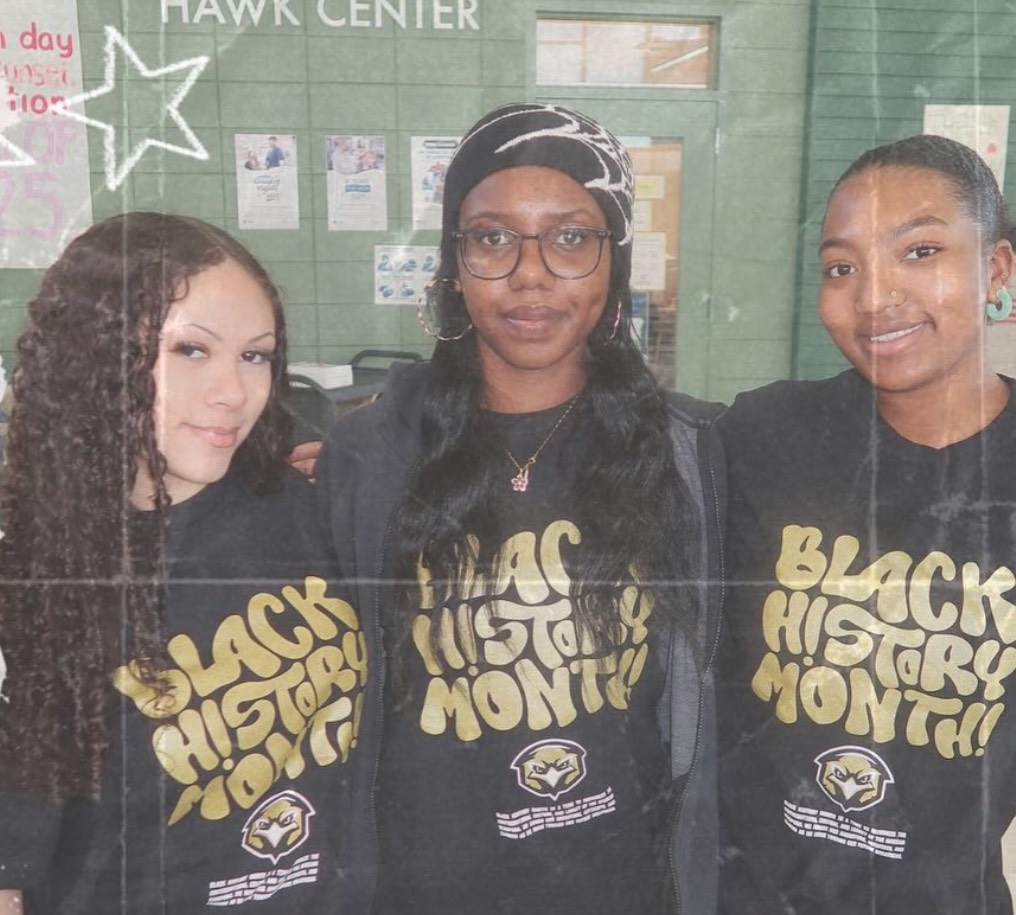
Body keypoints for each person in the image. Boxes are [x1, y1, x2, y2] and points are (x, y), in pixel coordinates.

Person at [316, 102, 724, 913]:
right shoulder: (370, 455)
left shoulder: (690, 451)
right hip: (421, 888)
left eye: (571, 237)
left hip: (623, 887)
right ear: (454, 264)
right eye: (493, 237)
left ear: (615, 261)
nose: (530, 273)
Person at [0, 212, 367, 914]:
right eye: (192, 349)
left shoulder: (296, 501)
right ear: (94, 356)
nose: (233, 390)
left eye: (255, 355)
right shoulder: (41, 577)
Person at [716, 135, 1016, 913]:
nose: (873, 295)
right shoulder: (766, 434)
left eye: (920, 250)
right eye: (840, 267)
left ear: (997, 270)